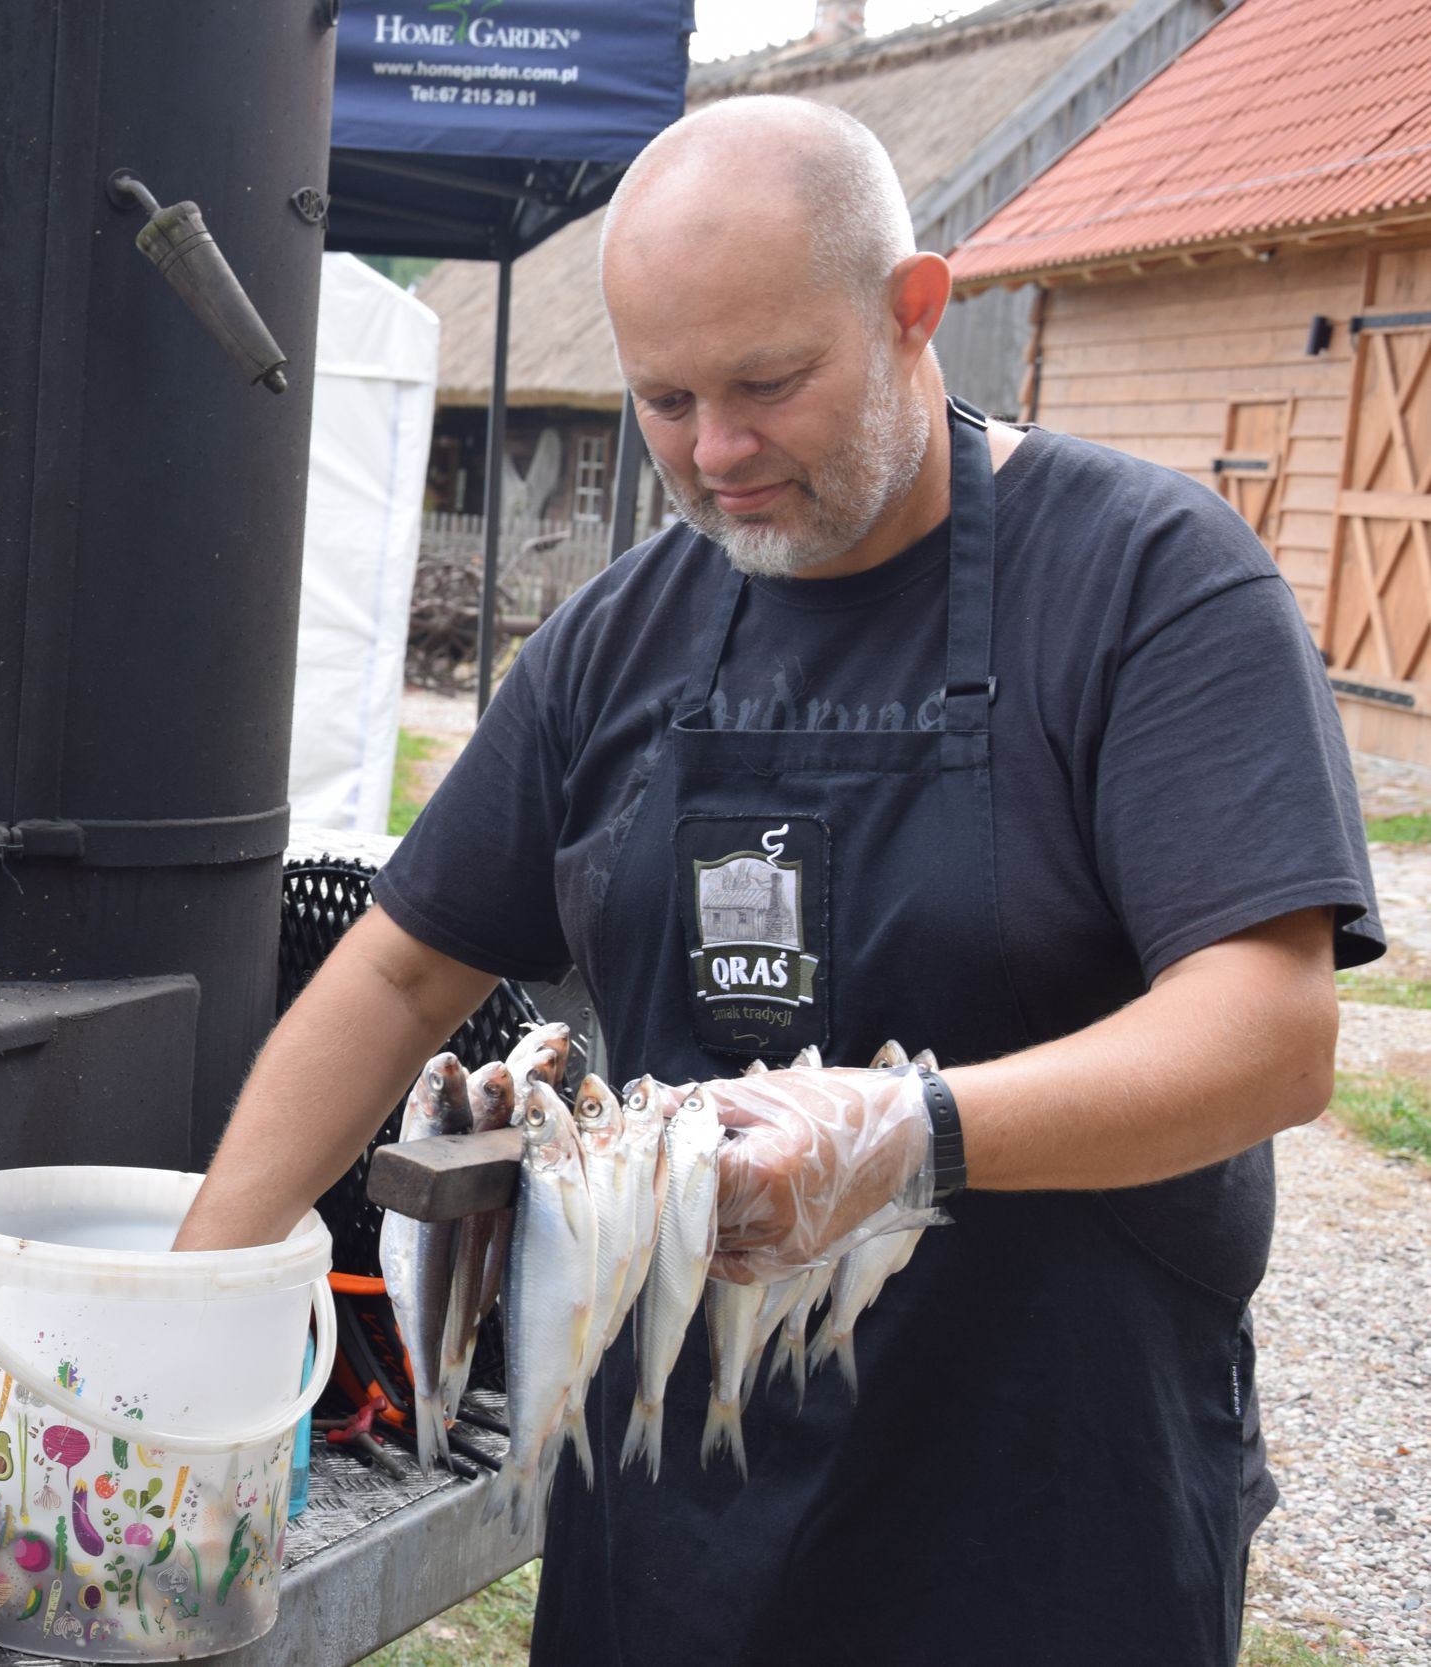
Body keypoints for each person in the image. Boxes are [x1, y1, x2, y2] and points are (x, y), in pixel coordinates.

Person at [176, 97, 1379, 1666]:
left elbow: (1264, 1028)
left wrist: (907, 1137)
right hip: (679, 1521)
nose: (716, 454)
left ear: (914, 310)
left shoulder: (1151, 579)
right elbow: (404, 971)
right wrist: (195, 1312)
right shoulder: (618, 639)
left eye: (767, 385)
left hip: (1045, 1514)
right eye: (662, 400)